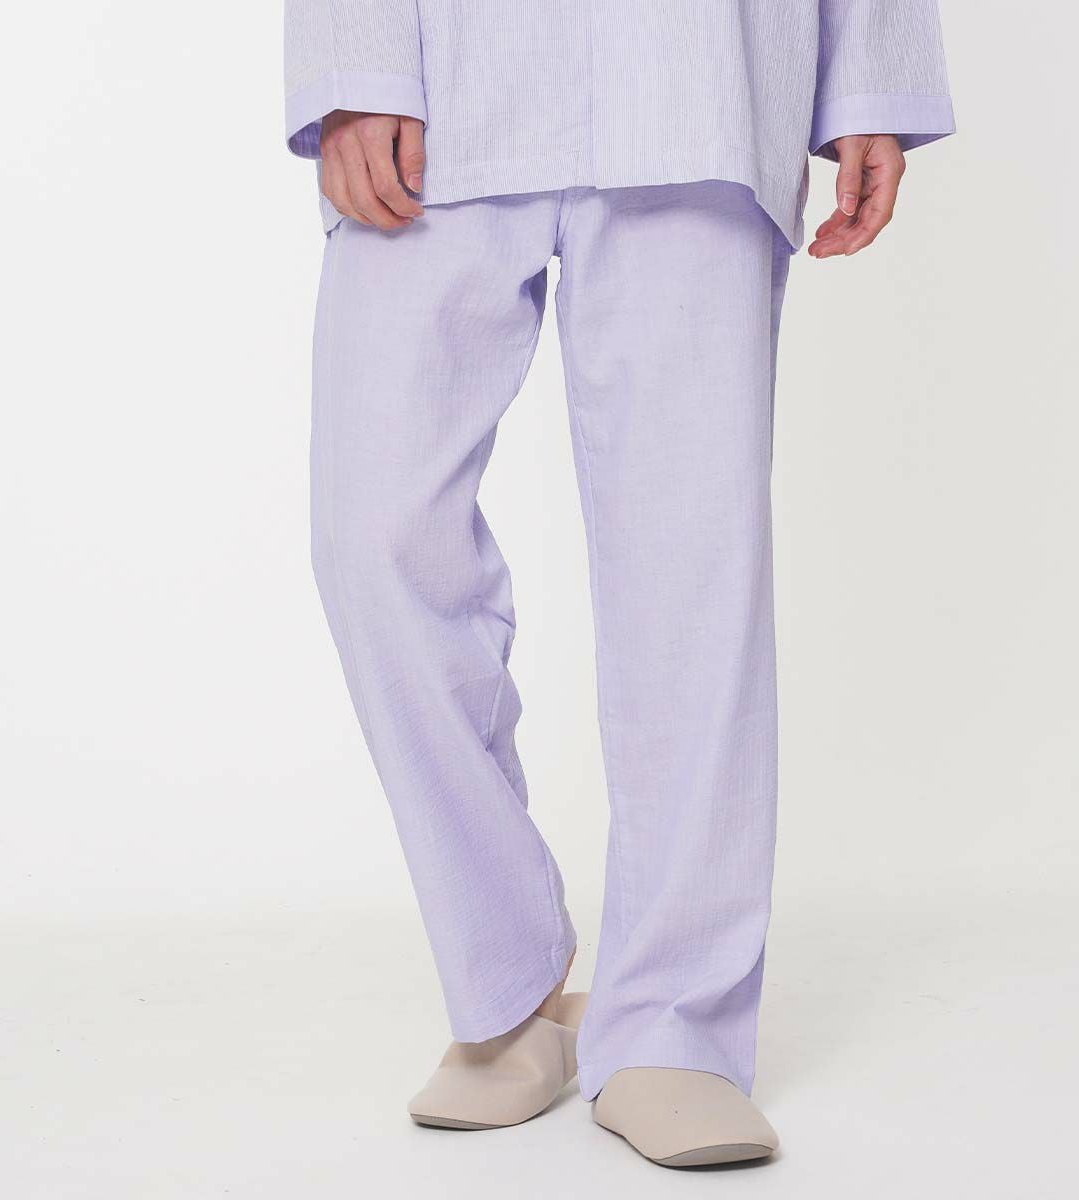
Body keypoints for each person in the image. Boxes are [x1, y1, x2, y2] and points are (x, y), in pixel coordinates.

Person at [283, 0, 953, 1168]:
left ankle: (675, 1029)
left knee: (692, 569)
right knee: (374, 534)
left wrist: (869, 77)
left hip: (703, 73)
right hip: (441, 70)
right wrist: (352, 63)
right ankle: (511, 983)